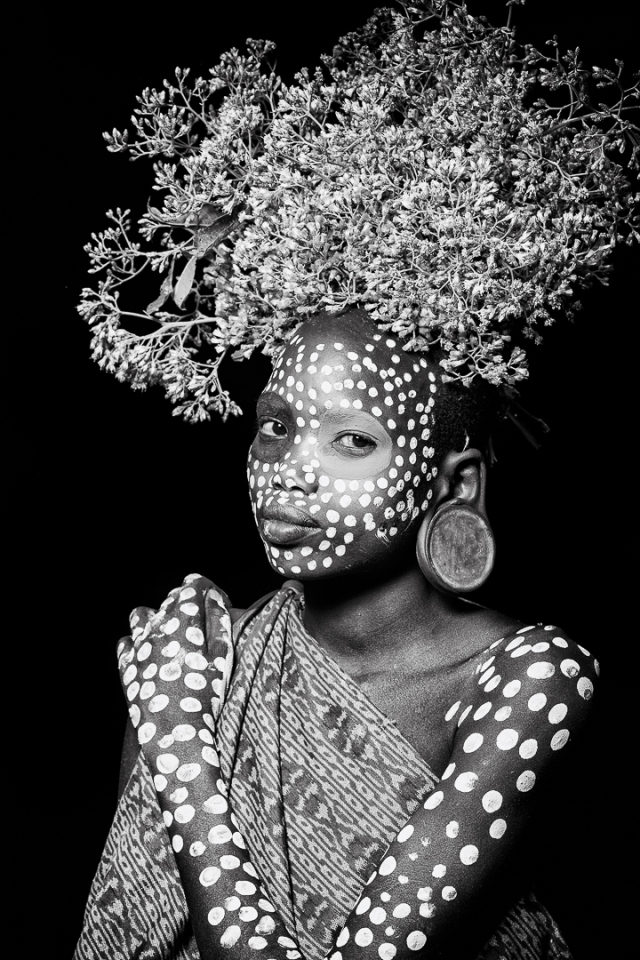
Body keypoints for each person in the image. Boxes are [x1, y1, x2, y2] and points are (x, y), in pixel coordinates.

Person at [72, 3, 636, 958]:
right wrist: (171, 716)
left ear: (455, 483)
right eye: (276, 427)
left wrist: (180, 753)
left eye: (352, 439)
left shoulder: (529, 679)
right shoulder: (203, 656)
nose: (291, 472)